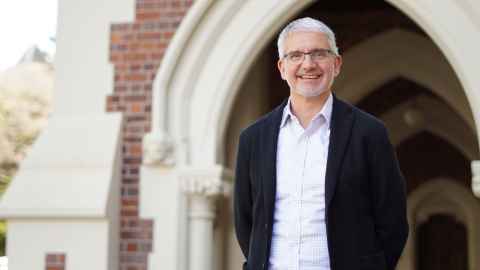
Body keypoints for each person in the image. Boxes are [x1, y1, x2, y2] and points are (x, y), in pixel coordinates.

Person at [233, 17, 408, 270]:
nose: (308, 64)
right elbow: (245, 219)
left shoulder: (369, 133)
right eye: (296, 55)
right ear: (282, 68)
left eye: (318, 53)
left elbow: (392, 219)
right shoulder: (253, 138)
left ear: (336, 64)